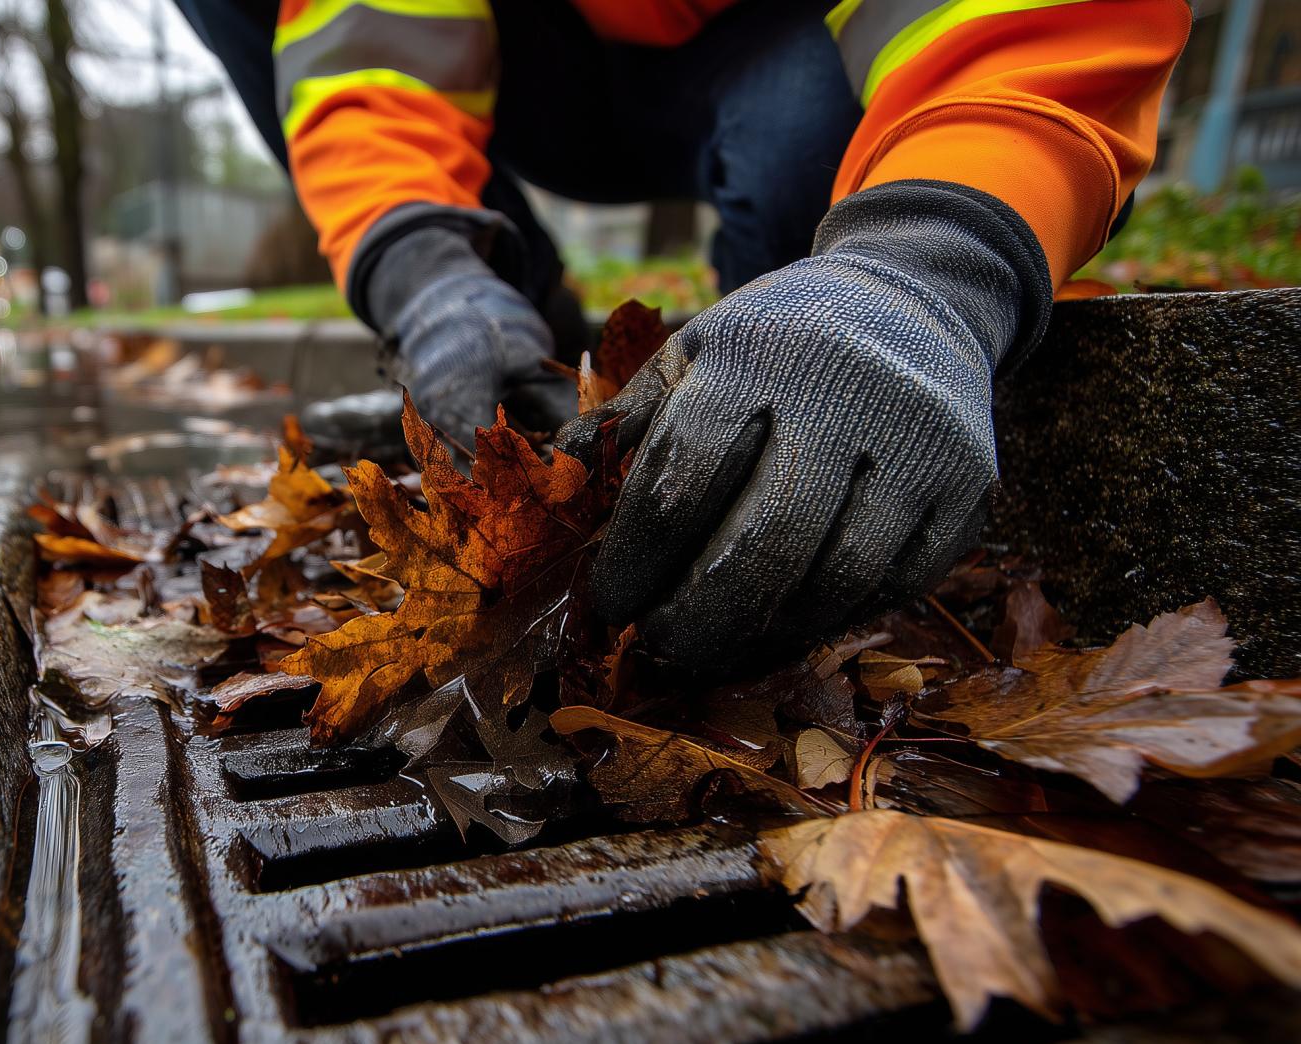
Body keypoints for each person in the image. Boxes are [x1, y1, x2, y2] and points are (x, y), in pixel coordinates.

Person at [175, 0, 1187, 665]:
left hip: (780, 43)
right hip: (534, 56)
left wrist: (929, 259)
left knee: (801, 138)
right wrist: (429, 276)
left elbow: (1035, 20)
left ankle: (798, 318)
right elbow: (363, 47)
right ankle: (522, 326)